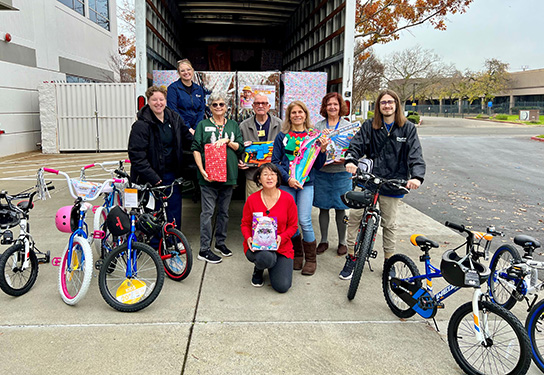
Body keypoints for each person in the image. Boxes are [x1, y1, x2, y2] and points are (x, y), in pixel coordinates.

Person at [339, 89, 426, 280]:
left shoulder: (408, 128)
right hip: (368, 179)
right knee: (354, 218)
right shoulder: (370, 125)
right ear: (378, 106)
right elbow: (356, 145)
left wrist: (417, 177)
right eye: (383, 102)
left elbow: (415, 155)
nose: (387, 105)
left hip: (393, 182)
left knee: (389, 224)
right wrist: (351, 161)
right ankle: (352, 257)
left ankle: (389, 261)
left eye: (390, 102)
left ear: (396, 105)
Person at [271, 100, 329, 276]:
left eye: (300, 112)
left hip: (306, 184)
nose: (297, 115)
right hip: (287, 184)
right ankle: (297, 253)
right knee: (291, 222)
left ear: (305, 114)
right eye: (293, 112)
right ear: (289, 116)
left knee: (304, 220)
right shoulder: (282, 137)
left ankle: (311, 259)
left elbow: (317, 165)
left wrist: (323, 149)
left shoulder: (313, 137)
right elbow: (275, 162)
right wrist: (288, 179)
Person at [128, 85, 193, 229]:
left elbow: (188, 138)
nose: (158, 103)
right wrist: (153, 177)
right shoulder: (141, 125)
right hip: (152, 176)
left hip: (172, 174)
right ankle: (155, 243)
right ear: (148, 101)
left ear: (165, 100)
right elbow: (136, 156)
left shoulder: (174, 118)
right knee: (154, 212)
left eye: (161, 99)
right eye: (154, 100)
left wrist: (207, 146)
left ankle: (174, 239)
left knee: (174, 209)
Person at [191, 92, 245, 264]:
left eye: (222, 104)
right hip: (209, 177)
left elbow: (240, 147)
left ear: (227, 107)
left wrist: (227, 141)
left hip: (228, 176)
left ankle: (220, 243)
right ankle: (204, 249)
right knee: (207, 213)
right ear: (210, 107)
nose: (219, 107)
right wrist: (201, 169)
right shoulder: (203, 125)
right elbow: (196, 148)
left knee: (224, 212)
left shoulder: (233, 125)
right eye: (215, 105)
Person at [241, 163, 298, 292]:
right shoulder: (252, 199)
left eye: (273, 174)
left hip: (281, 246)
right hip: (257, 246)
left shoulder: (288, 199)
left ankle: (274, 264)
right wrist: (248, 237)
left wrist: (281, 238)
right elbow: (245, 224)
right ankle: (259, 269)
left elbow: (293, 226)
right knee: (266, 258)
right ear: (259, 179)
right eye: (265, 174)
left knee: (282, 286)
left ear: (278, 178)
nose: (269, 178)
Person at [313, 93, 352, 257]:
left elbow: (354, 147)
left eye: (335, 104)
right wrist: (321, 140)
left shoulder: (348, 126)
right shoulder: (318, 126)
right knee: (323, 208)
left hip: (342, 173)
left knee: (341, 209)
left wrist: (348, 158)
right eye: (329, 104)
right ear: (324, 107)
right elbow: (312, 149)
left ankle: (342, 242)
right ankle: (323, 240)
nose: (332, 107)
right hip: (322, 172)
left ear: (341, 106)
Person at [239, 93, 282, 199]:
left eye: (264, 103)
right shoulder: (243, 126)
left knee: (272, 207)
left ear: (269, 106)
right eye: (257, 103)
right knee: (254, 207)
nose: (260, 106)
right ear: (253, 106)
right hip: (253, 175)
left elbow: (285, 147)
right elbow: (238, 147)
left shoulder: (280, 124)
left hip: (273, 175)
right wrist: (239, 161)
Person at [167, 59, 206, 135]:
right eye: (182, 71)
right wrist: (187, 127)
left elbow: (201, 109)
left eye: (188, 69)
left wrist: (196, 127)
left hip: (197, 129)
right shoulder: (173, 88)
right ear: (178, 73)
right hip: (180, 127)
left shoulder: (198, 89)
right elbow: (173, 110)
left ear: (193, 70)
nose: (186, 72)